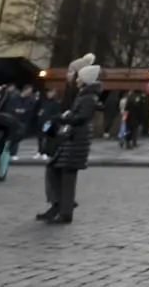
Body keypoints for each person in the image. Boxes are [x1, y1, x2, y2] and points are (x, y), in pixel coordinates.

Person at [39, 64, 100, 225]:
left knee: (67, 176)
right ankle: (58, 205)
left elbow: (81, 117)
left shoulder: (88, 98)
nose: (77, 79)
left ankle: (65, 211)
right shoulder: (83, 95)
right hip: (72, 138)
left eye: (79, 77)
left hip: (76, 139)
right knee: (54, 169)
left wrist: (65, 118)